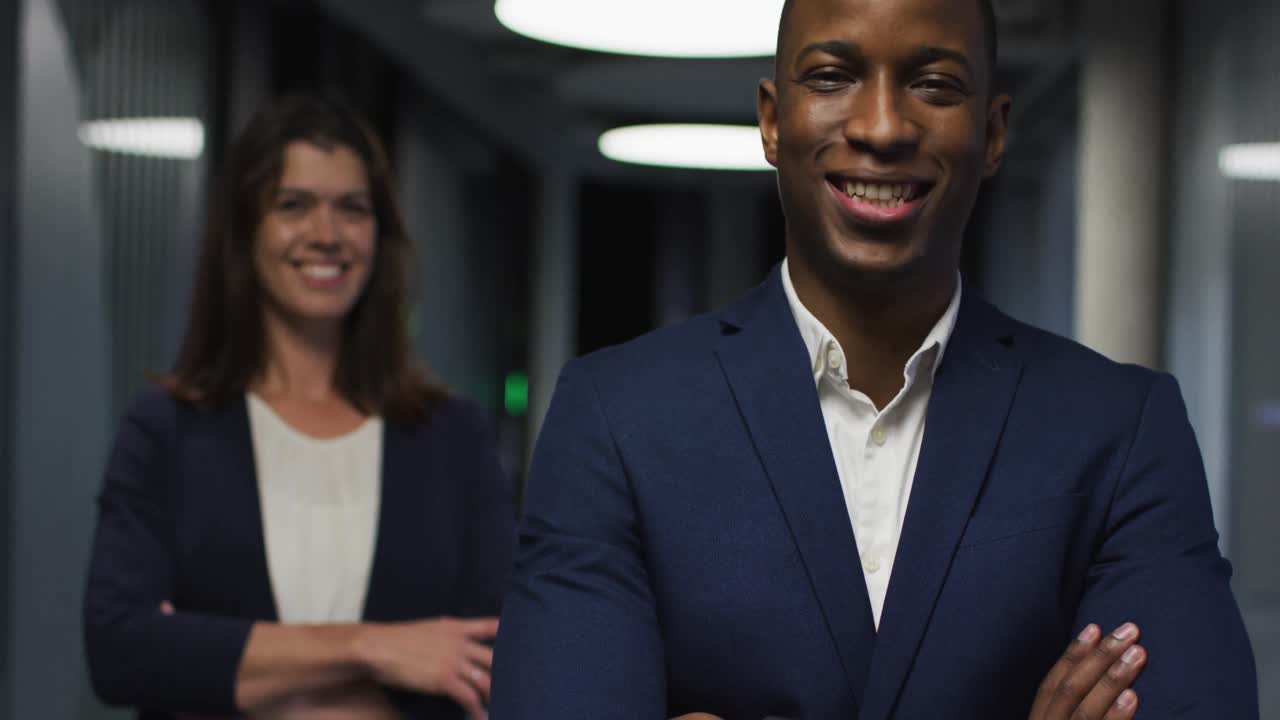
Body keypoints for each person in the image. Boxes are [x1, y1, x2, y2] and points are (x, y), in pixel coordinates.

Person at [489, 0, 1258, 717]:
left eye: (933, 83)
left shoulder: (1121, 427)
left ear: (993, 133)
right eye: (832, 76)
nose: (883, 126)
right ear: (772, 120)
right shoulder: (616, 415)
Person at [84, 93, 514, 720]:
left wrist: (232, 659)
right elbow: (120, 650)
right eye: (293, 206)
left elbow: (490, 655)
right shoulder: (168, 428)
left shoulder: (452, 437)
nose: (326, 234)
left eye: (352, 209)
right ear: (245, 230)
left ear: (380, 233)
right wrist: (373, 648)